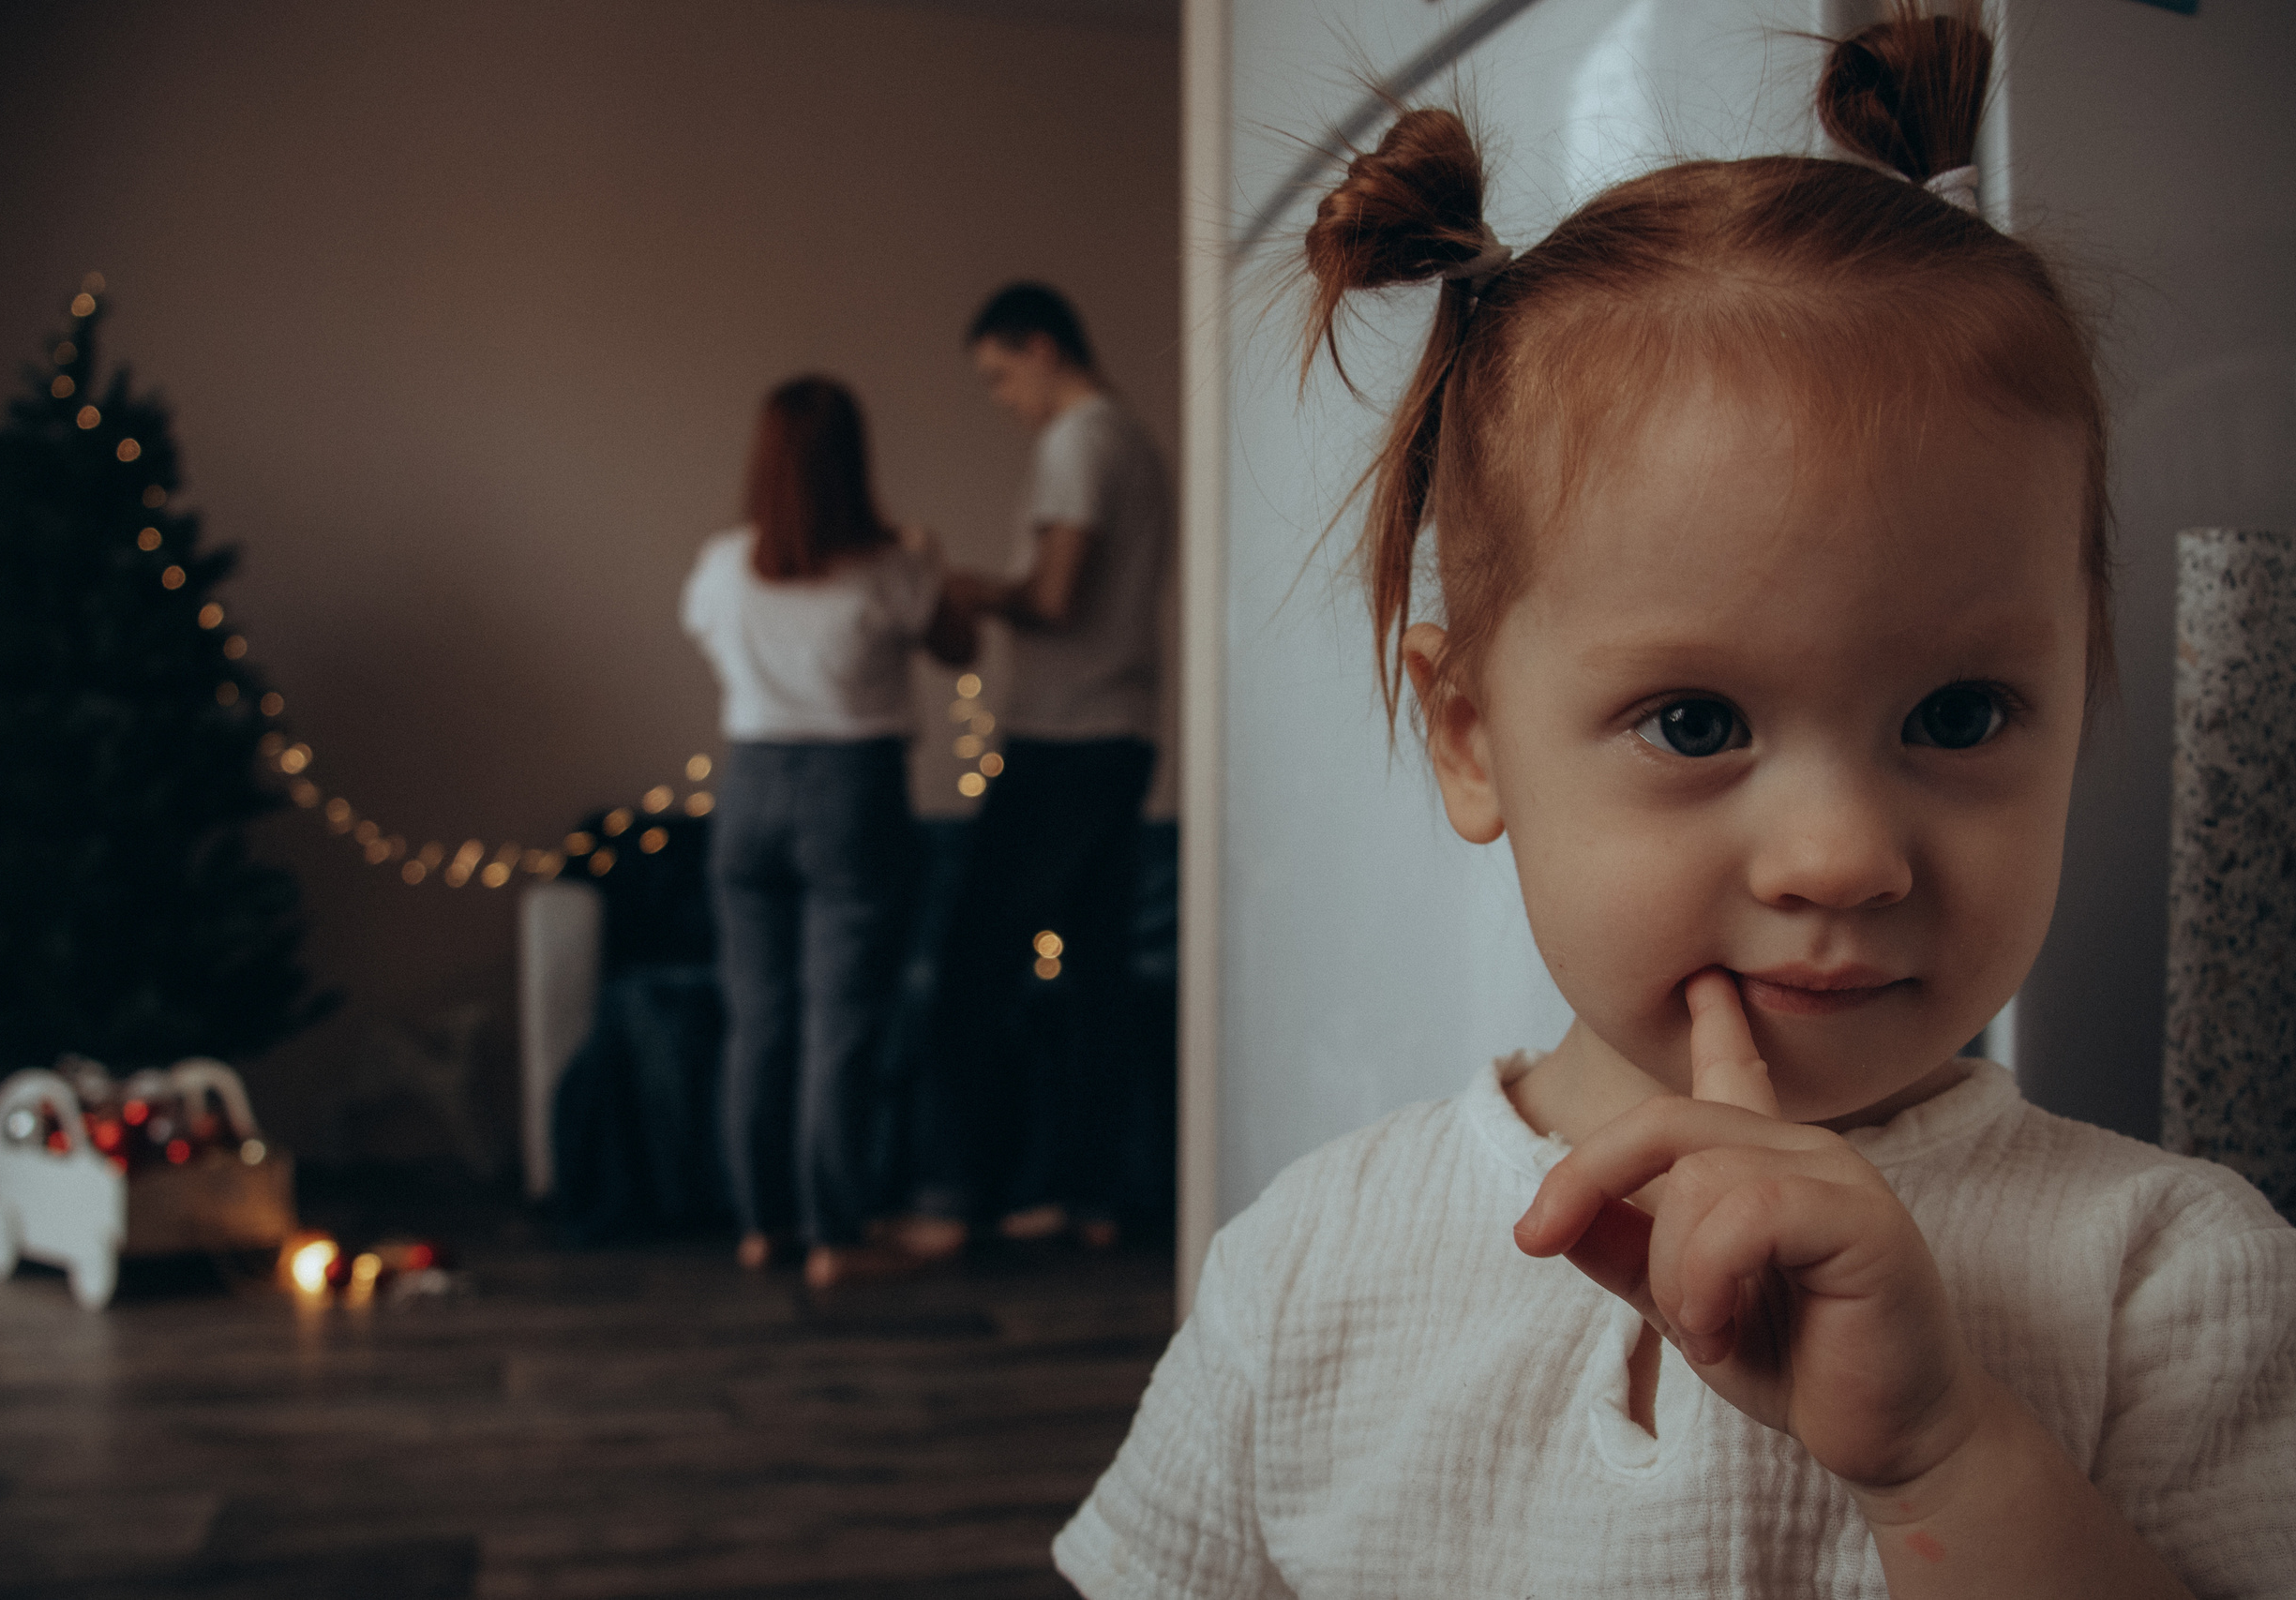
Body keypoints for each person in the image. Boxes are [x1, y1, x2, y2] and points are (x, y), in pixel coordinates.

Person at [1054, 11, 2294, 1599]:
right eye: (1697, 720)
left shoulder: (2174, 1277)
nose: (1842, 855)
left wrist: (1942, 1456)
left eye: (1960, 713)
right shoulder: (1307, 1269)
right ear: (1471, 737)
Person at [683, 376, 974, 1291]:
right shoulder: (896, 564)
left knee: (758, 1022)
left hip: (749, 789)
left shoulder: (722, 564)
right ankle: (835, 1236)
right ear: (853, 460)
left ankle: (764, 1225)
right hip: (853, 792)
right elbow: (960, 648)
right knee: (840, 1025)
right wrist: (932, 565)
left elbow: (705, 634)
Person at [902, 283, 1174, 1254]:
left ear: (1040, 347)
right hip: (1122, 732)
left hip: (1062, 739)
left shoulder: (1079, 442)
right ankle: (1088, 1199)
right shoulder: (1133, 441)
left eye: (998, 376)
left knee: (974, 967)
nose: (1002, 400)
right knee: (1094, 976)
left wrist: (969, 586)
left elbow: (1055, 597)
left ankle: (947, 1198)